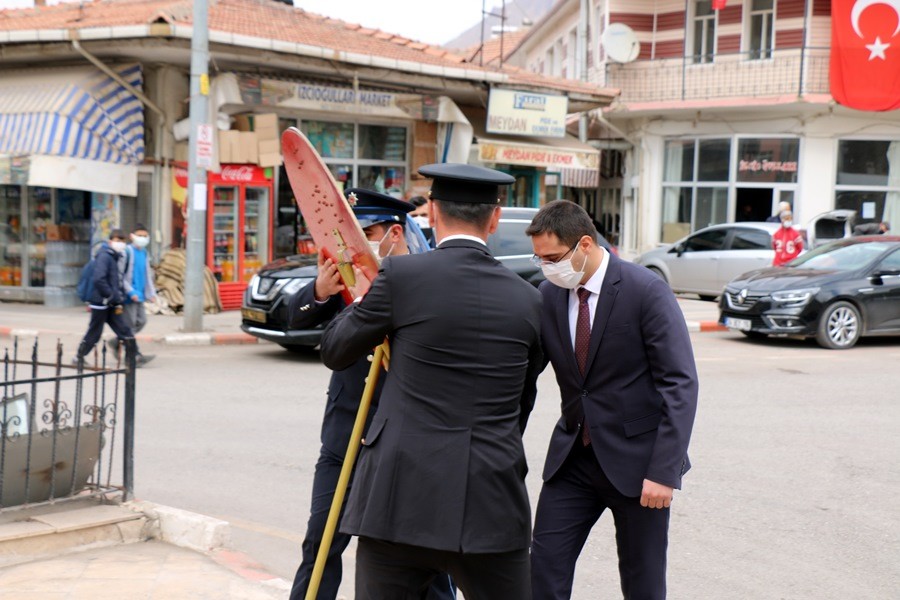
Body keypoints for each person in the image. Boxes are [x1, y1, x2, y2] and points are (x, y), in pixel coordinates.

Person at [319, 163, 543, 599]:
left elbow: (336, 350)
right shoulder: (530, 300)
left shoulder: (402, 277)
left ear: (433, 213)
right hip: (491, 499)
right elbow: (523, 402)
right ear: (495, 219)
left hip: (397, 499)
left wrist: (359, 296)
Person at [526, 200, 698, 600]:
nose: (547, 268)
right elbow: (526, 371)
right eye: (539, 260)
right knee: (543, 572)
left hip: (640, 465)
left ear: (585, 244)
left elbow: (680, 383)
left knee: (643, 583)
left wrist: (664, 471)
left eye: (552, 258)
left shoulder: (645, 290)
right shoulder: (550, 295)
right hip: (573, 459)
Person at [287, 188, 451, 600]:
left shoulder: (428, 281)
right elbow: (298, 322)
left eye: (367, 231)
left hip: (401, 446)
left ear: (394, 233)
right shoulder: (351, 277)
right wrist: (320, 293)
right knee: (321, 545)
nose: (355, 241)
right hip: (344, 438)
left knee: (423, 558)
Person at [73, 229, 136, 366]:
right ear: (110, 241)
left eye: (123, 241)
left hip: (110, 302)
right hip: (101, 301)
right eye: (117, 241)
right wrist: (110, 294)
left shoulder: (113, 256)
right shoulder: (105, 256)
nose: (120, 244)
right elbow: (99, 279)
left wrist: (114, 297)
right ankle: (78, 357)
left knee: (123, 328)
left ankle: (134, 356)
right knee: (95, 331)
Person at [109, 224, 156, 366]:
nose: (142, 238)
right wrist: (131, 292)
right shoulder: (127, 252)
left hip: (140, 295)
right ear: (132, 236)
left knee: (141, 321)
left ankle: (117, 340)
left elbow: (147, 275)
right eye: (139, 235)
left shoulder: (145, 253)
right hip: (129, 296)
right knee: (129, 326)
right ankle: (134, 356)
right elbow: (120, 276)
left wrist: (151, 293)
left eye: (144, 236)